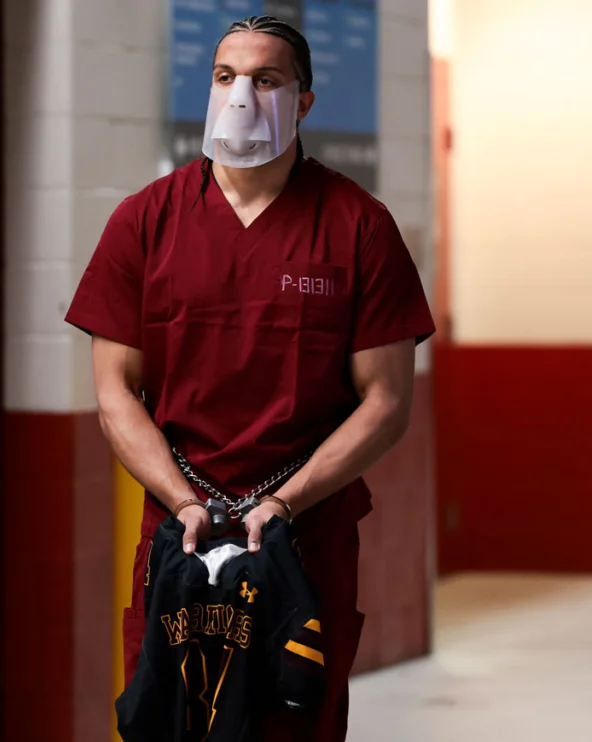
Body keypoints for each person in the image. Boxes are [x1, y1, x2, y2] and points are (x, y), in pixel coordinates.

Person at [64, 15, 435, 742]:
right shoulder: (144, 221)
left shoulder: (358, 226)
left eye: (266, 80)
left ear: (303, 102)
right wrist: (182, 500)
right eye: (225, 76)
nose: (241, 94)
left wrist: (285, 502)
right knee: (168, 721)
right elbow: (114, 393)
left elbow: (387, 402)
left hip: (304, 540)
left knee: (292, 725)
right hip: (180, 540)